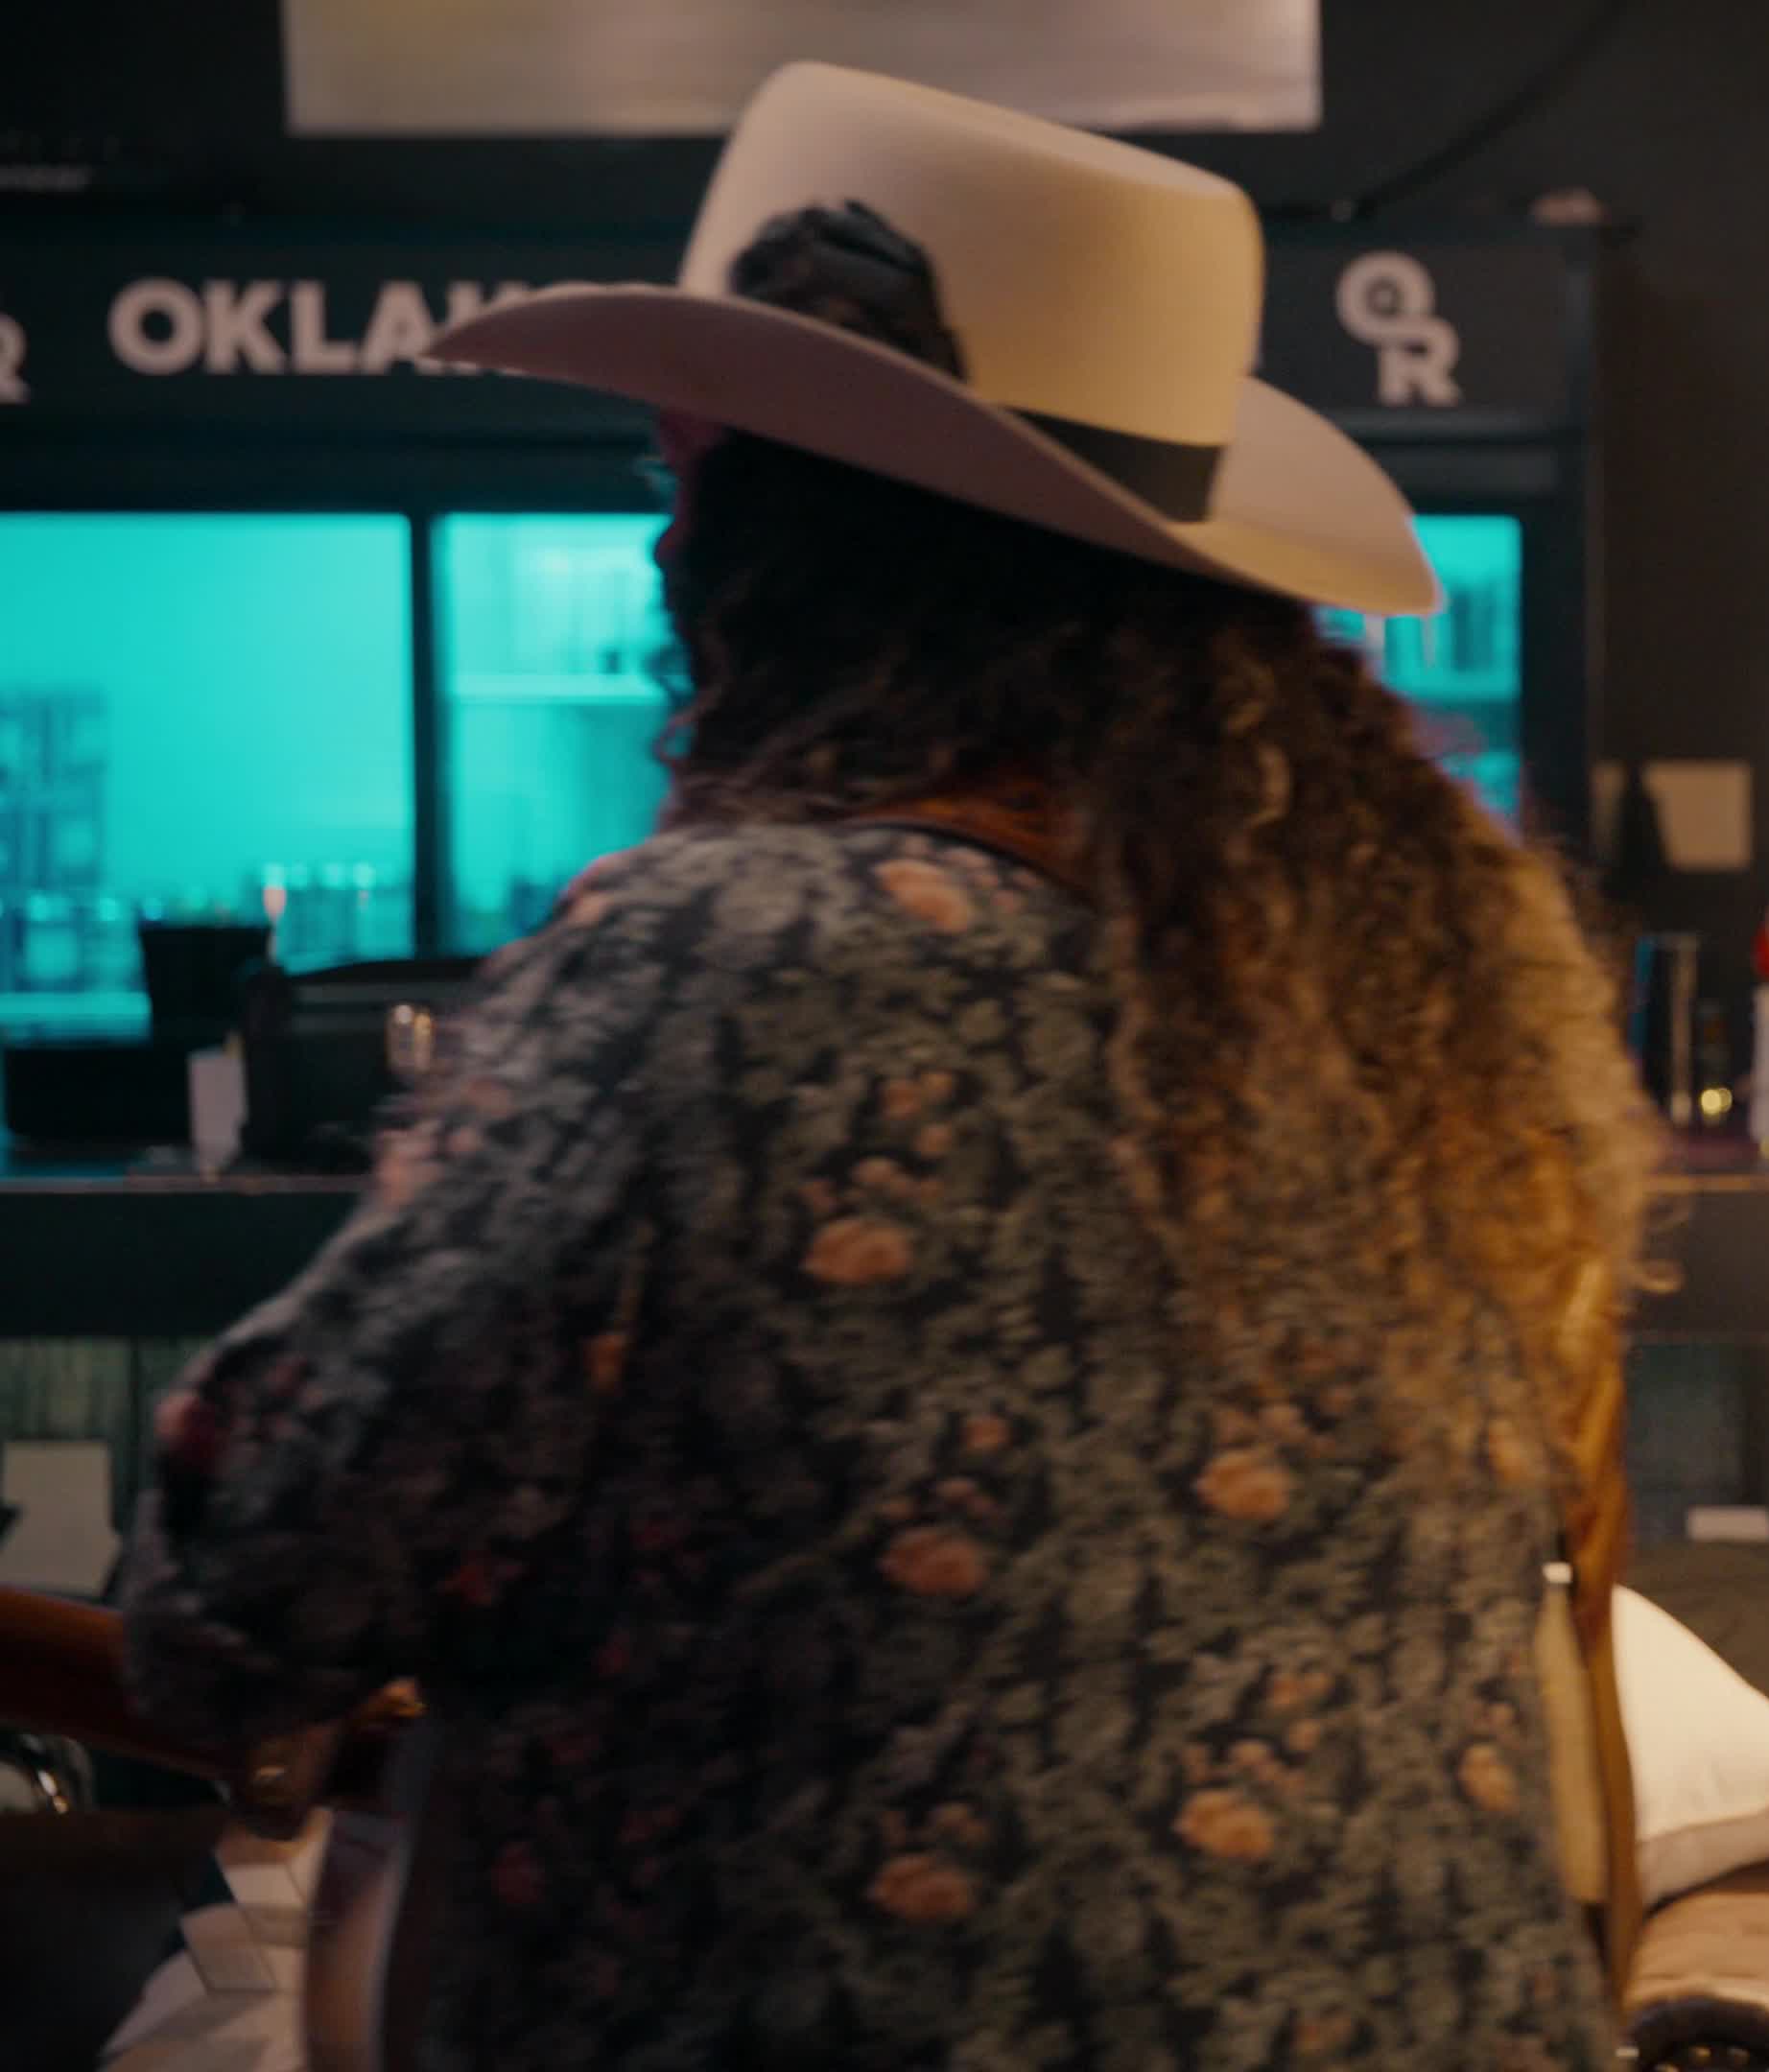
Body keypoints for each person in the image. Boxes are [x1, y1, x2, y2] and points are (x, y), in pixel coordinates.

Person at [113, 64, 1657, 2069]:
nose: (666, 546)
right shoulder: (1410, 1006)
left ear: (783, 557)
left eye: (692, 482)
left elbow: (241, 1599)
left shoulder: (714, 965)